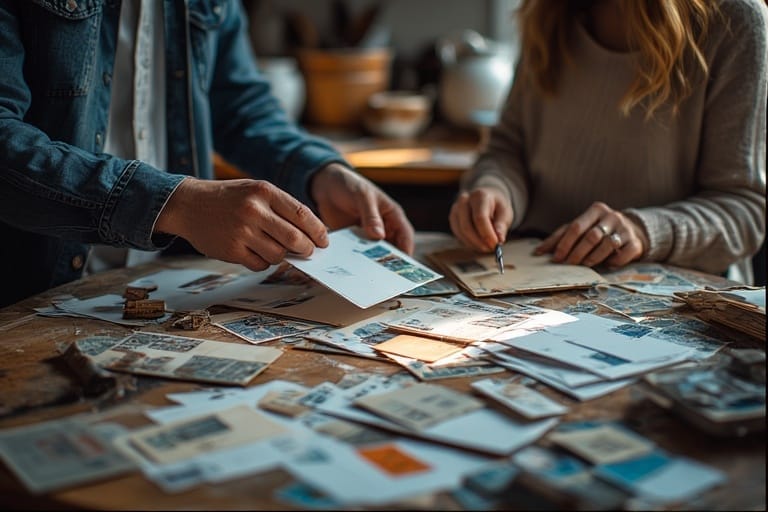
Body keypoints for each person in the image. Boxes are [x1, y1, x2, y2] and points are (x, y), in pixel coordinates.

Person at [0, 0, 414, 308]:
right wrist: (173, 204)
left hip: (172, 292)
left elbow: (238, 103)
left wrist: (319, 170)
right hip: (33, 295)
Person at [449, 0, 767, 284]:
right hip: (533, 278)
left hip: (671, 300)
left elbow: (743, 211)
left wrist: (644, 231)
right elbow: (507, 148)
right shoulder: (547, 13)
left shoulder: (736, 19)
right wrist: (497, 190)